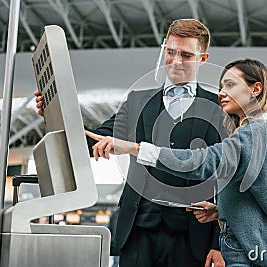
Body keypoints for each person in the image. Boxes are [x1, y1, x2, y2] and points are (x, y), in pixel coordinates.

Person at [35, 19, 225, 267]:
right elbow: (95, 138)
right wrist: (52, 116)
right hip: (138, 232)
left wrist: (218, 244)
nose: (176, 60)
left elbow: (225, 176)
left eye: (186, 55)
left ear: (203, 58)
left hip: (192, 238)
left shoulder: (219, 109)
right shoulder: (137, 102)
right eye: (171, 51)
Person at [86, 58, 267, 266]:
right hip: (254, 249)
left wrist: (135, 148)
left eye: (230, 85)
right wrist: (220, 211)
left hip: (248, 254)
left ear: (256, 89)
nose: (222, 92)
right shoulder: (262, 132)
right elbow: (264, 198)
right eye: (221, 86)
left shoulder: (259, 132)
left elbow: (201, 162)